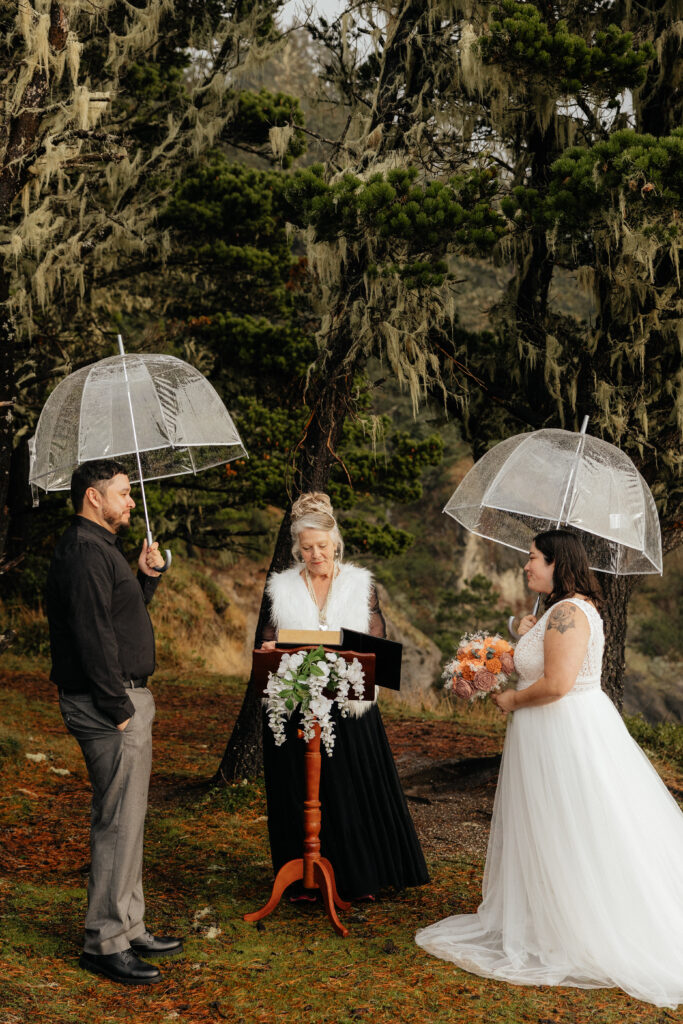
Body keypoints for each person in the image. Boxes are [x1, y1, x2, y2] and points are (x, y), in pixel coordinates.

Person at [416, 529, 683, 1009]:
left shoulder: (568, 613)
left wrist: (513, 698)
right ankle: (550, 915)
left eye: (535, 558)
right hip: (544, 732)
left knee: (574, 826)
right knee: (549, 827)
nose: (526, 566)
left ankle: (585, 926)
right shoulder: (555, 612)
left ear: (559, 563)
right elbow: (542, 658)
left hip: (565, 731)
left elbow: (558, 683)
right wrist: (518, 639)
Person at [46, 459, 183, 987]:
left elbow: (119, 619)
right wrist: (118, 709)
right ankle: (104, 942)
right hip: (108, 705)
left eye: (129, 494)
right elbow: (91, 635)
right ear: (92, 498)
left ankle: (129, 925)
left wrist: (145, 579)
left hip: (121, 699)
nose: (131, 503)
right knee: (116, 821)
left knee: (130, 818)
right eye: (123, 494)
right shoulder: (84, 551)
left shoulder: (101, 549)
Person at [260, 492, 429, 900]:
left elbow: (376, 641)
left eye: (322, 546)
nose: (316, 555)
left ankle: (358, 875)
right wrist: (273, 649)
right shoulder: (280, 588)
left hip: (348, 705)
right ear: (297, 549)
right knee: (296, 788)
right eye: (307, 548)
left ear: (336, 541)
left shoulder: (359, 584)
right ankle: (304, 876)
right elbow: (267, 640)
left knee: (350, 788)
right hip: (296, 701)